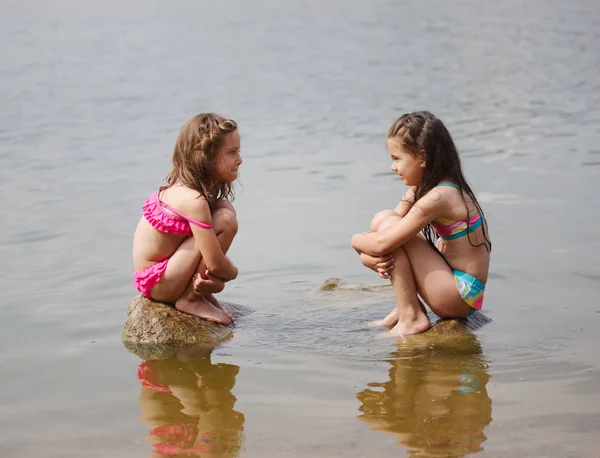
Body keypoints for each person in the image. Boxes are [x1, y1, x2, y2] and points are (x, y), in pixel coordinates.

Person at [351, 111, 492, 336]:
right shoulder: (424, 190)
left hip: (459, 296)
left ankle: (412, 316)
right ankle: (404, 308)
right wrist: (368, 258)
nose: (392, 167)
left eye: (397, 159)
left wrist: (354, 241)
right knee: (383, 219)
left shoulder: (439, 197)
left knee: (389, 227)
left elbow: (382, 243)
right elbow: (381, 233)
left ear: (422, 157)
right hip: (452, 287)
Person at [132, 113, 242, 324]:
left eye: (238, 151)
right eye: (231, 153)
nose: (240, 159)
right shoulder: (194, 201)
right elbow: (216, 263)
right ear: (206, 158)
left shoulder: (189, 191)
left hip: (170, 273)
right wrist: (229, 275)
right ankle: (190, 299)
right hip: (158, 282)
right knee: (226, 221)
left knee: (224, 208)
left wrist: (215, 281)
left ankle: (198, 290)